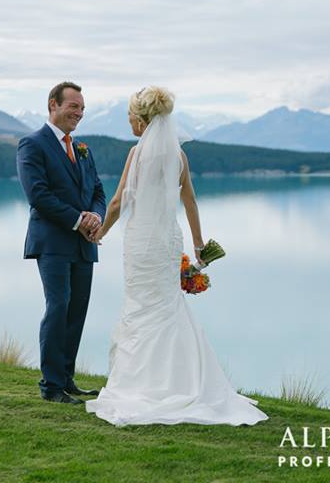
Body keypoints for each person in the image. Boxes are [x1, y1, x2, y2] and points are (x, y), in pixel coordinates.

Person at [84, 86, 268, 426]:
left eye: (130, 117)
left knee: (140, 308)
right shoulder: (179, 156)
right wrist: (198, 247)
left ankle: (143, 385)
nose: (129, 122)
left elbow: (116, 202)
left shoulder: (136, 153)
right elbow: (191, 202)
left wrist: (101, 233)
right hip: (168, 242)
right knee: (166, 308)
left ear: (141, 120)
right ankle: (182, 381)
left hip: (142, 243)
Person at [16, 81, 106, 404]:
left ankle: (67, 379)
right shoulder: (32, 144)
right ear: (53, 105)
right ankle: (51, 385)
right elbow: (38, 196)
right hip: (52, 242)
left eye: (82, 108)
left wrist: (96, 217)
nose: (78, 113)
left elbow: (97, 191)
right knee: (58, 307)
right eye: (73, 106)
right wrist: (79, 220)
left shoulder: (82, 149)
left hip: (84, 244)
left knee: (76, 311)